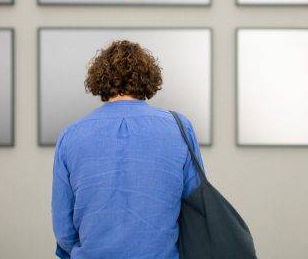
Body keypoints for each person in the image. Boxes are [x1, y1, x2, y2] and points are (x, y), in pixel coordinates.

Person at [51, 40, 204, 259]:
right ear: (147, 78)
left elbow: (64, 231)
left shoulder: (71, 135)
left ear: (99, 79)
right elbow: (197, 210)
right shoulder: (179, 128)